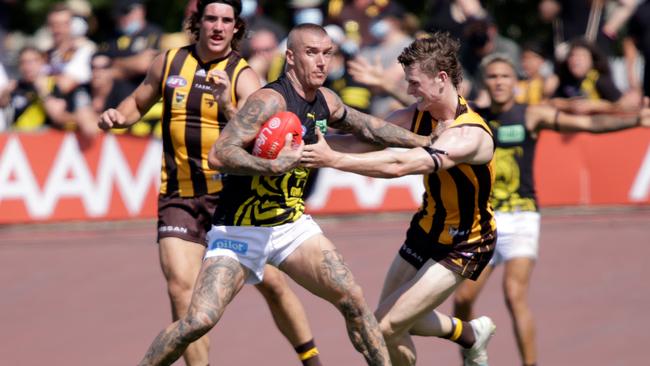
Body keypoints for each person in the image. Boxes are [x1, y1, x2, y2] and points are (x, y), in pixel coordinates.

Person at [135, 22, 434, 366]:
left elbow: (369, 127)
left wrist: (426, 143)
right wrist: (274, 166)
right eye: (312, 53)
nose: (322, 62)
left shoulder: (326, 100)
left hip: (292, 227)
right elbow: (219, 154)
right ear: (290, 58)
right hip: (239, 231)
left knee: (353, 299)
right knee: (198, 321)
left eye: (327, 54)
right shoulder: (269, 100)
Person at [98, 2, 326, 365]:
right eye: (211, 19)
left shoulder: (243, 75)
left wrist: (226, 104)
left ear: (237, 27)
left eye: (226, 21)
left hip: (233, 201)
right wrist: (117, 116)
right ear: (197, 22)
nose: (218, 27)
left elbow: (259, 141)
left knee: (273, 284)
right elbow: (137, 103)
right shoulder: (169, 62)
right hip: (179, 197)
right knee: (181, 291)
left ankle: (310, 359)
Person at [302, 33, 499, 366]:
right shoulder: (414, 115)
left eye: (414, 83)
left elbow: (402, 164)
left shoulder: (471, 134)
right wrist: (307, 142)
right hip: (425, 230)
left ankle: (468, 333)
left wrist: (331, 161)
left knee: (383, 326)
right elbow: (365, 141)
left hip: (465, 242)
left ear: (441, 79)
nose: (408, 90)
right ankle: (468, 333)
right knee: (383, 326)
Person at [453, 53, 650, 366]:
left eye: (505, 76)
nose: (499, 82)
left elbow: (588, 123)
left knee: (514, 295)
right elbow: (431, 111)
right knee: (462, 300)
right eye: (492, 77)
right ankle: (473, 353)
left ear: (516, 82)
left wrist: (634, 120)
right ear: (484, 83)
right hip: (484, 222)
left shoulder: (531, 115)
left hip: (522, 217)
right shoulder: (473, 117)